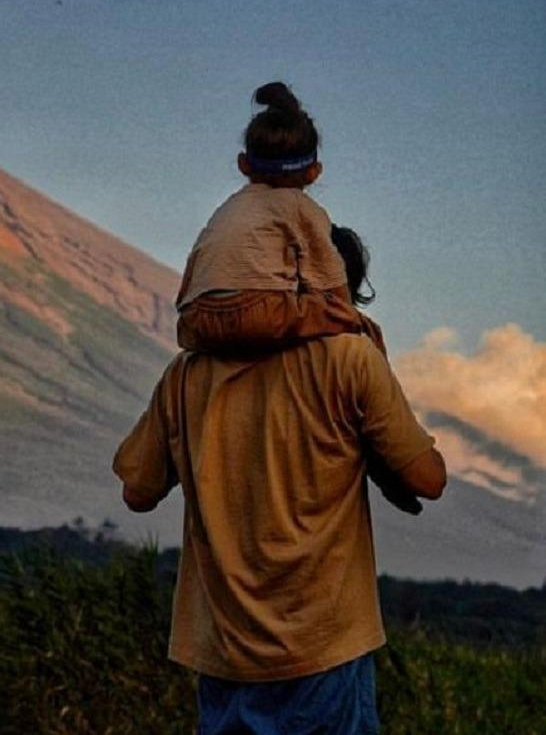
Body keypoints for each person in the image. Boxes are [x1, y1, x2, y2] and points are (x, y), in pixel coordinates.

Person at [113, 237, 447, 733]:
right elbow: (428, 479)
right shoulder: (349, 358)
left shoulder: (186, 372)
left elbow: (137, 491)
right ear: (345, 292)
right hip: (324, 645)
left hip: (224, 651)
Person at [175, 82, 369, 355]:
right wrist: (348, 317)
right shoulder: (300, 207)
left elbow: (194, 270)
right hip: (260, 316)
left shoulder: (228, 207)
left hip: (196, 321)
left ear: (243, 164)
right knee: (359, 328)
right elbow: (330, 278)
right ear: (314, 172)